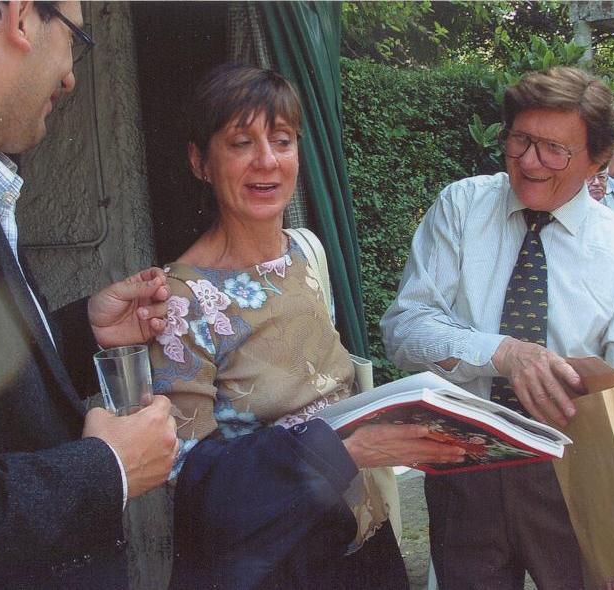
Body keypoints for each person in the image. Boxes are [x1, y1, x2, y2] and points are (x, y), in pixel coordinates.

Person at [149, 63, 464, 589]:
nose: (267, 160)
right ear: (199, 161)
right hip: (278, 566)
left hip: (364, 545)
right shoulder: (180, 300)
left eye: (282, 140)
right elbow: (191, 479)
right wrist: (344, 451)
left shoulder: (305, 251)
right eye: (241, 143)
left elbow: (327, 388)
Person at [381, 66, 614, 590]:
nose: (530, 162)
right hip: (463, 462)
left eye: (554, 149)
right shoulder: (462, 206)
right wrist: (503, 353)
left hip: (571, 474)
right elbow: (405, 328)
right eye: (520, 140)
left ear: (597, 159)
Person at [0, 2, 179, 587]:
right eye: (74, 37)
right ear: (18, 18)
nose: (69, 77)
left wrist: (79, 332)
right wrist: (106, 469)